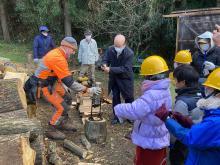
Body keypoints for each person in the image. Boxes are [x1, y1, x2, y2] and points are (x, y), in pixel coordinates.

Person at [33, 37, 101, 140]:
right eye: (73, 50)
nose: (73, 53)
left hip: (52, 81)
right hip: (44, 84)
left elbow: (63, 74)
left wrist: (63, 84)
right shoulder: (58, 57)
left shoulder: (60, 54)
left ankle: (62, 122)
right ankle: (51, 128)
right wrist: (88, 90)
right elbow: (69, 82)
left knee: (68, 98)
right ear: (66, 47)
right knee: (62, 107)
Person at [155, 67, 220, 165]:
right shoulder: (214, 114)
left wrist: (167, 118)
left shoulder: (215, 122)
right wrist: (190, 123)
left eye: (209, 89)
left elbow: (190, 137)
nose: (205, 90)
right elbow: (205, 134)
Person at [114, 56, 171, 165]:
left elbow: (135, 110)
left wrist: (118, 108)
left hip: (150, 140)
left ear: (150, 76)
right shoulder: (165, 89)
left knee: (145, 161)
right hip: (159, 135)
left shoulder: (152, 94)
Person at [170, 64, 202, 165]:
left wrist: (171, 143)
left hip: (182, 146)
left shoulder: (182, 102)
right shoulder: (202, 96)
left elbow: (175, 128)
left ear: (183, 82)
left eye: (176, 80)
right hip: (197, 141)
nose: (175, 83)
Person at [102, 34, 134, 124]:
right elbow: (105, 59)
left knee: (128, 98)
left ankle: (130, 116)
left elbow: (126, 68)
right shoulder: (110, 49)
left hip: (126, 78)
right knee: (115, 97)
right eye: (115, 45)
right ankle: (116, 116)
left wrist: (110, 69)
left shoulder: (129, 53)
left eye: (118, 46)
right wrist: (104, 64)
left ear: (124, 44)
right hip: (114, 78)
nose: (116, 47)